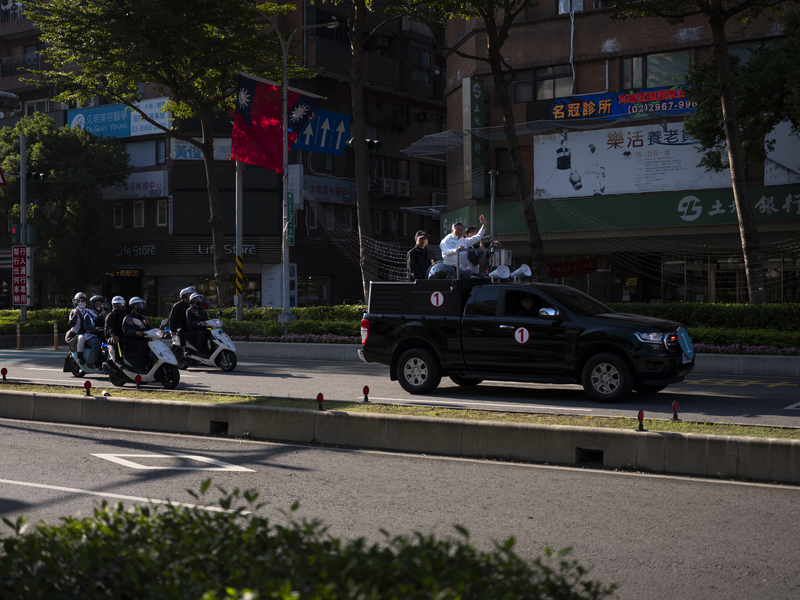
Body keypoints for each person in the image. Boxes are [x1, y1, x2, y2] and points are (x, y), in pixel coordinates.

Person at [122, 296, 151, 373]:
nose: (140, 306)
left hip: (142, 338)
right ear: (132, 306)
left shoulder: (143, 318)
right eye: (137, 305)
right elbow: (126, 330)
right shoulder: (129, 318)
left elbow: (148, 327)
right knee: (143, 345)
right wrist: (135, 332)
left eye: (141, 304)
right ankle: (139, 367)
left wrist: (157, 331)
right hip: (131, 340)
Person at [169, 286, 195, 355]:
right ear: (184, 296)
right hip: (180, 325)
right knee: (181, 331)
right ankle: (184, 349)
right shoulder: (177, 306)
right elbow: (172, 318)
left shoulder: (191, 305)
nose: (190, 296)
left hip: (189, 325)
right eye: (189, 295)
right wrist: (172, 330)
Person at [82, 295, 105, 369]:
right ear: (92, 305)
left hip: (99, 334)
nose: (100, 305)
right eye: (98, 303)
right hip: (90, 336)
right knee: (96, 342)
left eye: (100, 304)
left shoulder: (101, 315)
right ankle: (96, 362)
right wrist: (95, 328)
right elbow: (86, 327)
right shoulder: (88, 315)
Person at [186, 292, 212, 357]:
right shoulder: (190, 310)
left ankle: (211, 350)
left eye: (199, 299)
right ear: (192, 301)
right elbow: (190, 322)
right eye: (197, 299)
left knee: (211, 333)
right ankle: (200, 351)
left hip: (202, 328)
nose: (199, 301)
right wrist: (198, 323)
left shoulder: (202, 310)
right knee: (202, 333)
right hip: (193, 331)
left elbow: (206, 319)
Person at [65, 292, 88, 361]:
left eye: (83, 301)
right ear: (77, 302)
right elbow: (70, 324)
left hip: (87, 331)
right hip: (77, 333)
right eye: (80, 301)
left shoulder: (88, 311)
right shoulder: (73, 312)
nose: (82, 302)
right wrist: (75, 316)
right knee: (81, 338)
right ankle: (79, 357)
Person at [104, 296, 127, 364]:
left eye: (120, 305)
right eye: (117, 305)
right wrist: (113, 336)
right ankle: (118, 361)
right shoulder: (110, 316)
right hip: (112, 337)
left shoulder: (125, 315)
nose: (119, 306)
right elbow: (109, 328)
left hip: (122, 335)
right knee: (117, 342)